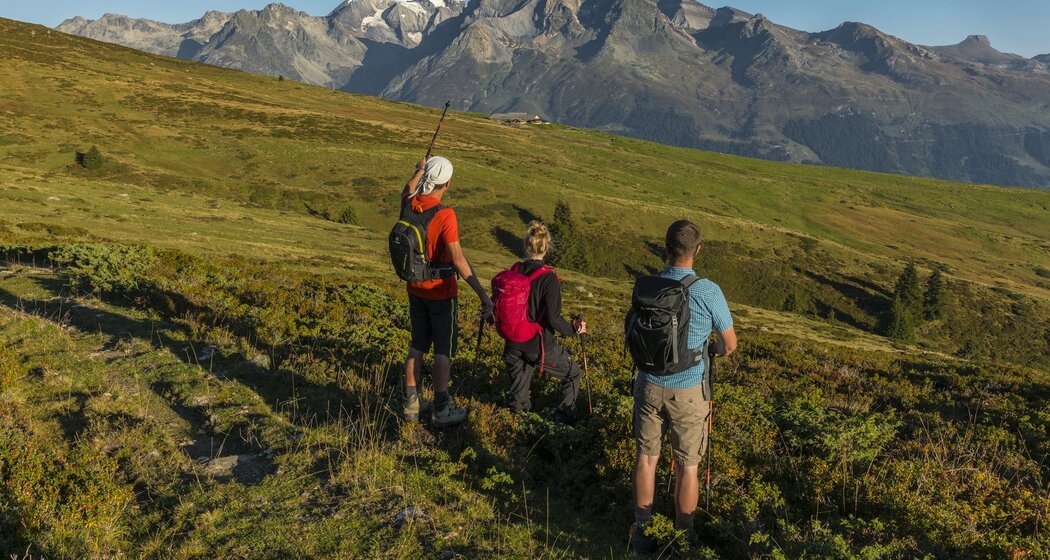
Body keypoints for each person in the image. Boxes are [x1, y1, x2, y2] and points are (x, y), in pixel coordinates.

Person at [630, 220, 737, 553]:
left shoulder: (649, 286)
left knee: (646, 458)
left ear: (665, 248)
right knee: (686, 466)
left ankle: (642, 532)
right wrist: (713, 350)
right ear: (698, 250)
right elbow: (729, 343)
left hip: (648, 383)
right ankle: (682, 539)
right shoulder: (708, 291)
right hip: (689, 390)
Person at [399, 155, 493, 428]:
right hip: (441, 293)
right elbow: (458, 259)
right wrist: (482, 294)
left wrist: (417, 170)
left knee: (417, 345)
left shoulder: (409, 203)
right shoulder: (445, 214)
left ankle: (411, 403)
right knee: (443, 350)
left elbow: (407, 189)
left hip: (415, 288)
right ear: (447, 183)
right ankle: (441, 407)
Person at [496, 221, 586, 425]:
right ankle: (562, 422)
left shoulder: (515, 269)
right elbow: (554, 319)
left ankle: (517, 432)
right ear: (547, 248)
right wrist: (574, 330)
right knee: (573, 373)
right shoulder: (549, 279)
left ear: (527, 245)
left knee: (518, 402)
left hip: (512, 343)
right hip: (537, 346)